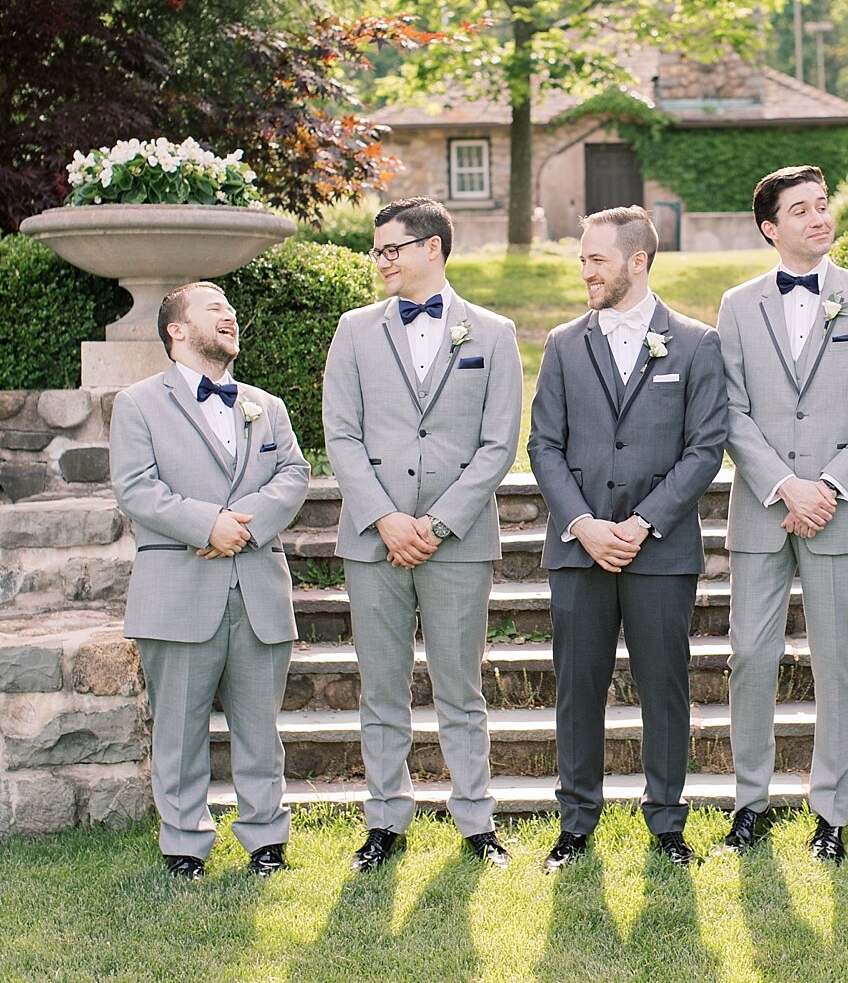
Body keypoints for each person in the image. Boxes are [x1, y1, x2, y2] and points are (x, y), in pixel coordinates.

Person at [713, 165, 848, 862]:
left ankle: (832, 813)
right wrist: (784, 487)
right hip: (764, 510)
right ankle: (749, 804)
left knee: (837, 661)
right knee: (750, 657)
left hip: (842, 510)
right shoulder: (737, 305)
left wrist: (826, 485)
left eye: (822, 206)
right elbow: (728, 409)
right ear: (771, 227)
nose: (818, 218)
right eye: (801, 210)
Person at [323, 197, 522, 872]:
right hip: (373, 538)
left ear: (431, 247)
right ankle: (385, 822)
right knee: (381, 688)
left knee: (460, 688)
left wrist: (435, 524)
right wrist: (386, 518)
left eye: (390, 248)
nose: (380, 260)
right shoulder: (353, 330)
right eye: (376, 250)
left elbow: (499, 445)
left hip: (457, 541)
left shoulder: (493, 333)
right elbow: (341, 436)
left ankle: (476, 823)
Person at [528, 205, 727, 871]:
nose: (585, 270)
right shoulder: (561, 344)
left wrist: (641, 524)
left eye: (595, 259)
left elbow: (705, 449)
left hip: (661, 551)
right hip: (578, 550)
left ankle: (668, 824)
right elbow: (544, 446)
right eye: (582, 258)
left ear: (637, 262)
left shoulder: (696, 343)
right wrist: (583, 524)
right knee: (577, 689)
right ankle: (576, 822)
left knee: (664, 689)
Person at [110, 281, 310, 879]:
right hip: (177, 590)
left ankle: (266, 841)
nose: (230, 316)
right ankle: (184, 845)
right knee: (178, 729)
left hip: (257, 590)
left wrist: (239, 530)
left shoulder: (266, 404)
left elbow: (294, 474)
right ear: (177, 329)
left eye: (231, 308)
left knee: (259, 727)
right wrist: (207, 526)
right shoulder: (139, 402)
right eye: (214, 308)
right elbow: (136, 488)